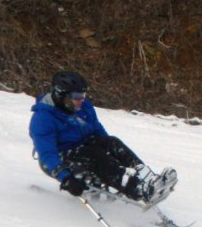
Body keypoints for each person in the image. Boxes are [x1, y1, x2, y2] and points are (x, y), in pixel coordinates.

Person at [29, 71, 177, 203]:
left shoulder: (83, 107)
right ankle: (137, 189)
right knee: (94, 156)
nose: (82, 100)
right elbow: (47, 155)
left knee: (112, 143)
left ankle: (148, 179)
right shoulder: (43, 118)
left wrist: (110, 150)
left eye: (83, 95)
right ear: (61, 95)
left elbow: (97, 130)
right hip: (60, 159)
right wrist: (66, 178)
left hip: (85, 147)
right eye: (76, 97)